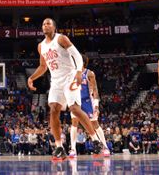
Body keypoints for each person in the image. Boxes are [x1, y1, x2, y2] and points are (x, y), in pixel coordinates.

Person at [26, 18, 103, 160]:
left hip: (70, 76)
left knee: (74, 108)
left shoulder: (61, 39)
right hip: (56, 80)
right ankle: (59, 147)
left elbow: (77, 56)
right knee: (54, 109)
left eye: (48, 23)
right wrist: (32, 78)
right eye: (43, 23)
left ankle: (95, 139)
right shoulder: (41, 46)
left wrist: (79, 72)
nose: (45, 25)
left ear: (54, 27)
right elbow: (43, 67)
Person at [69, 59, 110, 157]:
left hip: (87, 101)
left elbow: (95, 90)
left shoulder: (89, 73)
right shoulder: (71, 73)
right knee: (74, 123)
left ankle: (105, 147)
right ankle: (73, 149)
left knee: (94, 123)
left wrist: (96, 105)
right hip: (76, 101)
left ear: (82, 62)